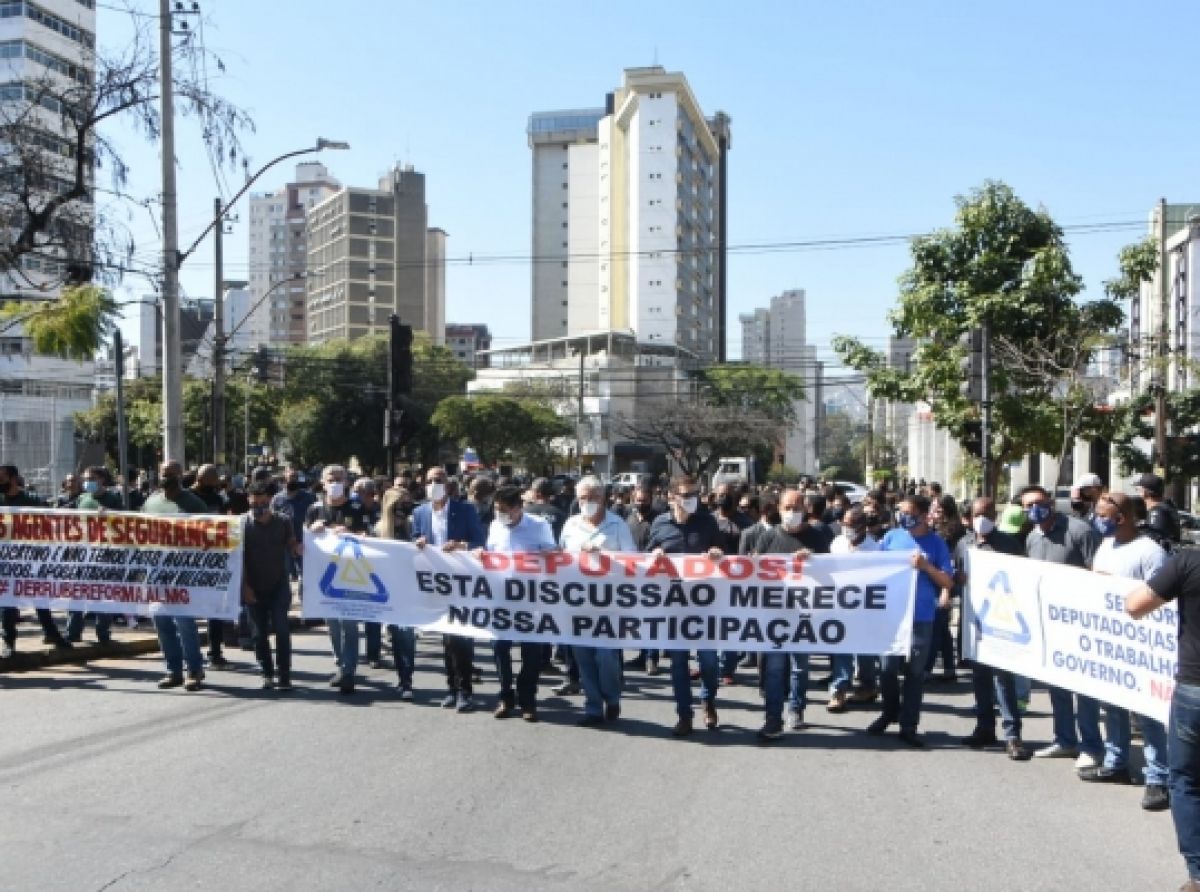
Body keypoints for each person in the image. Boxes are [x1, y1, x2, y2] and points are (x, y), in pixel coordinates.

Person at [1078, 493, 1170, 809]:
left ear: (1123, 517)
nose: (1097, 519)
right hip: (1109, 643)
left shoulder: (1149, 552)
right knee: (1112, 707)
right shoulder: (1107, 546)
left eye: (1103, 514)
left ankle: (1159, 777)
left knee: (1148, 715)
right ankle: (1116, 762)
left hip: (1140, 646)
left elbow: (1162, 597)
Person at [1126, 538, 1200, 889]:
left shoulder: (1187, 562)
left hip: (1194, 689)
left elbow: (1135, 605)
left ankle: (1199, 874)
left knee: (1185, 780)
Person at [1020, 484, 1104, 766]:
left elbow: (1100, 573)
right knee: (1058, 687)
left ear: (1051, 503)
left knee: (1085, 689)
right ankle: (1065, 740)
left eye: (1039, 503)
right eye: (1028, 505)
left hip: (1081, 623)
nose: (1034, 509)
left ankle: (1091, 746)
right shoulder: (1032, 537)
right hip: (1051, 625)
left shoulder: (1079, 531)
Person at [866, 494, 953, 747]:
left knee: (915, 673)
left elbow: (947, 581)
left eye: (908, 512)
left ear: (924, 515)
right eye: (900, 511)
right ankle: (889, 712)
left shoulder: (937, 544)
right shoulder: (891, 537)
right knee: (887, 669)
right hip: (891, 615)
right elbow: (871, 566)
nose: (903, 516)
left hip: (921, 616)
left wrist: (926, 567)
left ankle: (909, 724)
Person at [645, 474, 725, 737]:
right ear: (672, 497)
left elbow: (724, 555)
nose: (692, 500)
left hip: (704, 605)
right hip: (673, 607)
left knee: (709, 662)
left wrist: (716, 555)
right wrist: (654, 555)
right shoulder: (659, 524)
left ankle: (708, 698)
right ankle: (684, 715)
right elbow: (644, 560)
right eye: (686, 495)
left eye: (695, 494)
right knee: (678, 662)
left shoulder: (707, 522)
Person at [957, 497, 1031, 760]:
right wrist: (959, 579)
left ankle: (1013, 735)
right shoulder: (963, 544)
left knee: (1003, 679)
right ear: (970, 516)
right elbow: (957, 578)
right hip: (975, 623)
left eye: (988, 512)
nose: (983, 517)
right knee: (980, 678)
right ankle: (984, 727)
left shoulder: (1009, 545)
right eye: (978, 513)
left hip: (1002, 623)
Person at [755, 487, 832, 740]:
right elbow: (754, 571)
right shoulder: (768, 538)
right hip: (774, 614)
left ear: (806, 509)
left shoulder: (819, 537)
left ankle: (796, 708)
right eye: (787, 508)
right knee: (775, 668)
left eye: (797, 508)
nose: (792, 512)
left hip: (804, 614)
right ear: (778, 509)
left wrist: (815, 561)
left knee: (800, 666)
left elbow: (833, 574)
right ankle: (772, 719)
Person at [559, 476, 636, 726]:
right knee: (583, 658)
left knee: (606, 656)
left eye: (592, 498)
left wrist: (603, 557)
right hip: (578, 604)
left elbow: (632, 561)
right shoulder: (570, 525)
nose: (587, 502)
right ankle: (593, 707)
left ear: (603, 499)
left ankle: (611, 698)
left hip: (610, 605)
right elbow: (559, 558)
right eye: (582, 498)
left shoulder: (617, 525)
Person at [481, 485, 558, 722]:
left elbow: (554, 553)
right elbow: (491, 554)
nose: (500, 514)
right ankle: (506, 696)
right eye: (496, 509)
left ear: (517, 508)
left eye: (504, 510)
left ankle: (528, 699)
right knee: (499, 648)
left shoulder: (538, 526)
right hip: (501, 599)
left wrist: (550, 554)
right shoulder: (495, 527)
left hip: (531, 600)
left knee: (531, 652)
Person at [412, 467, 486, 711]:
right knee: (446, 638)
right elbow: (412, 541)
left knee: (460, 637)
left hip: (462, 582)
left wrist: (461, 545)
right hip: (436, 583)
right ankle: (451, 689)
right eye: (430, 480)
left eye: (439, 480)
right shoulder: (420, 512)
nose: (434, 484)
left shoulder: (465, 510)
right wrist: (418, 543)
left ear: (449, 484)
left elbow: (479, 541)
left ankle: (465, 690)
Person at [305, 464, 371, 695]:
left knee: (349, 625)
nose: (334, 483)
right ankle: (341, 663)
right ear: (322, 483)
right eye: (330, 479)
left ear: (346, 482)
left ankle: (348, 670)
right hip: (325, 577)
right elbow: (305, 542)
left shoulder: (355, 507)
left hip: (351, 575)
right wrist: (312, 530)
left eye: (339, 479)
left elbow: (368, 538)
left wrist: (350, 534)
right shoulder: (314, 509)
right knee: (333, 624)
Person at [144, 461, 209, 691]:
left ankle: (194, 670)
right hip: (156, 571)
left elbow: (209, 533)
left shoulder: (193, 503)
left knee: (184, 622)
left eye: (171, 474)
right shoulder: (151, 502)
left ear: (181, 476)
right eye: (163, 473)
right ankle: (173, 670)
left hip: (183, 572)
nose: (166, 477)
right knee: (161, 621)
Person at [242, 482, 302, 690]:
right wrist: (244, 586)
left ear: (270, 501)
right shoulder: (242, 525)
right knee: (258, 633)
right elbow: (237, 559)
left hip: (279, 585)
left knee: (282, 629)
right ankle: (266, 672)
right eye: (254, 503)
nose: (258, 507)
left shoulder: (283, 521)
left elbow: (292, 545)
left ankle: (284, 674)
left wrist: (297, 548)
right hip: (252, 585)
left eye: (262, 503)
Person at [66, 466, 124, 645]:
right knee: (76, 594)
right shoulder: (81, 499)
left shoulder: (113, 500)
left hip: (104, 555)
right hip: (81, 554)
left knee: (102, 595)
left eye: (91, 478)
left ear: (102, 480)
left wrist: (109, 517)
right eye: (85, 479)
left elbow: (122, 527)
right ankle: (73, 632)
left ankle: (103, 633)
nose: (86, 482)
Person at [831, 505, 882, 706]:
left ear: (862, 527)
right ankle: (839, 690)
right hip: (841, 604)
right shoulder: (837, 543)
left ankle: (868, 686)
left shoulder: (875, 548)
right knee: (842, 646)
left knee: (865, 649)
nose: (846, 529)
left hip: (865, 606)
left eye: (851, 525)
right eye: (844, 524)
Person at [379, 485, 417, 699]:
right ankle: (402, 676)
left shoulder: (413, 527)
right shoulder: (379, 530)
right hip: (389, 590)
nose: (404, 508)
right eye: (399, 504)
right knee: (396, 636)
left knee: (407, 635)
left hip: (410, 589)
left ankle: (407, 680)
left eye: (407, 503)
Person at [1136, 472, 1182, 549]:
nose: (1137, 492)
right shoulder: (1166, 507)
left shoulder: (1158, 511)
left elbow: (1153, 538)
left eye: (1138, 489)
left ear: (1144, 492)